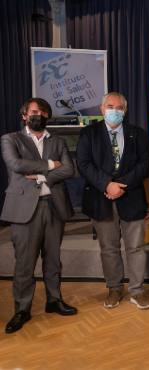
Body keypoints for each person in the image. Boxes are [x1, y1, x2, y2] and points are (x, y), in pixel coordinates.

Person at [1, 98, 77, 333]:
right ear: (24, 115)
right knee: (25, 263)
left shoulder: (58, 141)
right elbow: (16, 164)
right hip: (25, 210)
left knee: (53, 260)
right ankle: (22, 309)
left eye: (43, 111)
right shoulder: (10, 139)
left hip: (54, 206)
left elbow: (69, 169)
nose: (39, 115)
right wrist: (51, 165)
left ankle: (54, 300)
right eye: (34, 111)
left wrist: (43, 175)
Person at [76, 92, 149, 310]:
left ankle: (137, 291)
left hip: (132, 198)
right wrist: (107, 184)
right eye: (110, 106)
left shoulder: (137, 134)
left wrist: (121, 185)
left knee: (136, 248)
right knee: (109, 249)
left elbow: (144, 164)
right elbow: (83, 164)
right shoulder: (89, 134)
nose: (115, 111)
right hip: (101, 199)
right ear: (102, 109)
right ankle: (115, 288)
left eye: (119, 108)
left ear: (125, 111)